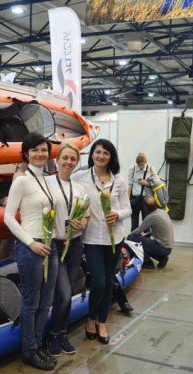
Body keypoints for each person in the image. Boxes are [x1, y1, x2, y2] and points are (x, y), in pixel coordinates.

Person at [4, 133, 61, 371]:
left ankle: (37, 344)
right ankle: (29, 350)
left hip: (51, 245)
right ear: (26, 154)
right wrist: (30, 243)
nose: (40, 154)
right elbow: (8, 217)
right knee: (31, 302)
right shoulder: (21, 181)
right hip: (31, 247)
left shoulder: (48, 180)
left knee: (46, 301)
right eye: (35, 150)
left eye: (44, 150)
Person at [72, 139, 131, 345]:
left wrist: (117, 214)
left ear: (111, 157)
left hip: (115, 238)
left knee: (107, 283)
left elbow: (128, 208)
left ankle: (102, 321)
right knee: (98, 282)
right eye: (98, 152)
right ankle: (91, 319)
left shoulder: (119, 181)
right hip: (92, 238)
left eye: (106, 153)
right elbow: (61, 183)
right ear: (92, 155)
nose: (101, 156)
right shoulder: (80, 177)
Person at [45, 143, 89, 357]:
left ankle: (62, 334)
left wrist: (82, 224)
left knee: (68, 292)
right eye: (65, 158)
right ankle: (54, 334)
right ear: (57, 159)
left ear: (76, 162)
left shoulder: (80, 188)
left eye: (73, 159)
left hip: (75, 244)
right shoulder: (47, 183)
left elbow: (86, 215)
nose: (68, 162)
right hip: (55, 244)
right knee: (62, 294)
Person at [128, 195, 174, 269]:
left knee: (133, 238)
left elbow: (137, 231)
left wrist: (128, 237)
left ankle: (148, 263)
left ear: (145, 207)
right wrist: (147, 234)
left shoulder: (151, 217)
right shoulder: (163, 212)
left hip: (162, 248)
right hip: (168, 248)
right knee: (146, 242)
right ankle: (162, 258)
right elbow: (161, 230)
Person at [128, 153, 156, 230]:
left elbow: (156, 183)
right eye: (139, 165)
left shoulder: (150, 169)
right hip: (135, 198)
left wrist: (146, 183)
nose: (141, 167)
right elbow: (130, 185)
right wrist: (127, 200)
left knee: (146, 222)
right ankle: (133, 237)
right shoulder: (132, 169)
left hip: (146, 198)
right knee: (134, 223)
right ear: (137, 163)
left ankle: (146, 237)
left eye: (142, 165)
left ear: (145, 162)